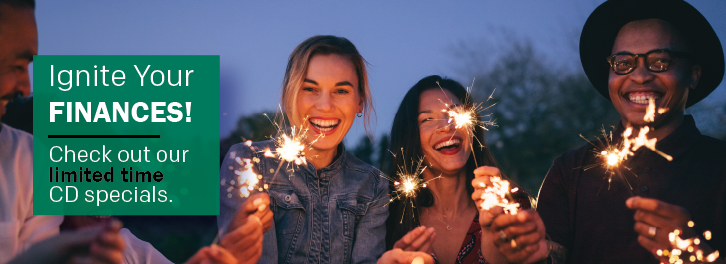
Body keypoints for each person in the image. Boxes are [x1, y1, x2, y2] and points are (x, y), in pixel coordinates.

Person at [536, 0, 726, 263]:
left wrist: (701, 257)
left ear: (693, 75)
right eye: (623, 63)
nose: (639, 76)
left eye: (660, 61)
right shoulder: (570, 171)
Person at [219, 35, 389, 264]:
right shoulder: (248, 164)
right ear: (289, 95)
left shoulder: (373, 185)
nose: (325, 106)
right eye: (310, 88)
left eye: (341, 91)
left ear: (360, 101)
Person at [381, 76, 548, 264]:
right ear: (409, 136)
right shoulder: (384, 215)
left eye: (455, 113)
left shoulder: (511, 207)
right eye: (427, 119)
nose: (447, 126)